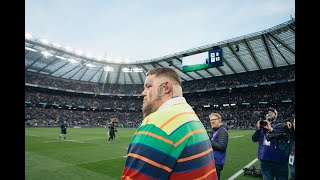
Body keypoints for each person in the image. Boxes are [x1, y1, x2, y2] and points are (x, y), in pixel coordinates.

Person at [121, 67, 217, 180]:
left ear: (166, 87)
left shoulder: (157, 124)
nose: (143, 93)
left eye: (148, 86)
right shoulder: (191, 117)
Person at [252, 107, 289, 180]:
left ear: (276, 115)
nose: (268, 114)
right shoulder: (263, 125)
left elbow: (283, 139)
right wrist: (258, 129)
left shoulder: (282, 125)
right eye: (267, 113)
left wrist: (271, 128)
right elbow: (254, 139)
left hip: (279, 160)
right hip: (265, 160)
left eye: (271, 113)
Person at [208, 112, 229, 180]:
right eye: (211, 120)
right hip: (212, 160)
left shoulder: (222, 131)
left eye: (214, 119)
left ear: (219, 120)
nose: (212, 121)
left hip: (217, 161)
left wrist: (208, 141)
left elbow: (222, 147)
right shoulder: (214, 130)